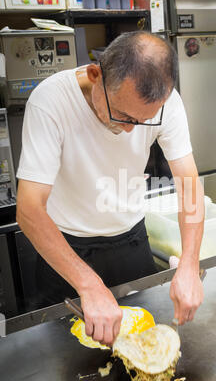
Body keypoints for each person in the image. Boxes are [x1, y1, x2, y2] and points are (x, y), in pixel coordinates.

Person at [16, 31, 205, 347]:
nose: (130, 130)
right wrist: (89, 286)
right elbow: (29, 208)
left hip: (131, 243)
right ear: (95, 75)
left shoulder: (166, 102)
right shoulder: (50, 102)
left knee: (146, 351)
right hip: (66, 252)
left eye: (143, 121)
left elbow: (188, 182)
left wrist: (189, 264)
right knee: (66, 364)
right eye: (124, 116)